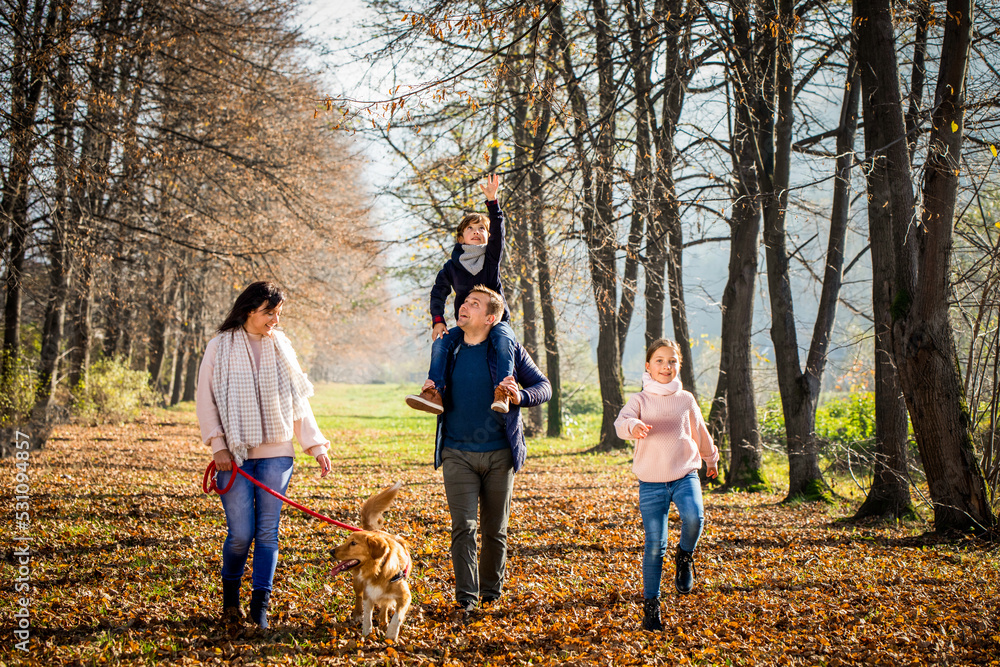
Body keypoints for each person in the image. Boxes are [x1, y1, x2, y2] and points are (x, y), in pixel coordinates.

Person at [196, 281, 331, 629]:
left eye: (278, 314)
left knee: (268, 533)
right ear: (248, 310)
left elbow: (298, 401)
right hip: (235, 455)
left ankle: (260, 608)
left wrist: (315, 446)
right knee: (241, 534)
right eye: (268, 312)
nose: (274, 320)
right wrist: (218, 445)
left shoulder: (281, 345)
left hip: (277, 453)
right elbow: (205, 400)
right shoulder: (219, 346)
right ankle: (230, 602)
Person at [424, 285, 551, 618]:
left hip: (499, 455)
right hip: (456, 452)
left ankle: (491, 594)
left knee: (495, 530)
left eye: (474, 304)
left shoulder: (504, 350)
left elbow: (544, 387)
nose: (463, 306)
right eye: (464, 301)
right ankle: (467, 599)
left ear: (491, 318)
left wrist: (519, 397)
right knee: (463, 527)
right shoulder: (449, 348)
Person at [614, 339, 719, 632]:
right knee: (654, 546)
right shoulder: (640, 400)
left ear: (678, 366)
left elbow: (699, 430)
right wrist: (633, 427)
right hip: (651, 482)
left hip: (684, 475)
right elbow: (621, 423)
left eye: (671, 361)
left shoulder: (685, 398)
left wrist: (711, 458)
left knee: (694, 517)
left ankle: (685, 555)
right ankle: (652, 608)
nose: (666, 366)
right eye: (659, 361)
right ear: (648, 366)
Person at [405, 174, 519, 415]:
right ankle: (434, 392)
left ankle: (503, 391)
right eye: (470, 228)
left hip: (494, 320)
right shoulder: (451, 267)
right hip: (467, 323)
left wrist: (493, 202)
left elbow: (499, 232)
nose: (476, 232)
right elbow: (438, 292)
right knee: (441, 342)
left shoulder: (490, 259)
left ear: (488, 237)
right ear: (461, 237)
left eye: (481, 229)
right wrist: (438, 320)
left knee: (504, 339)